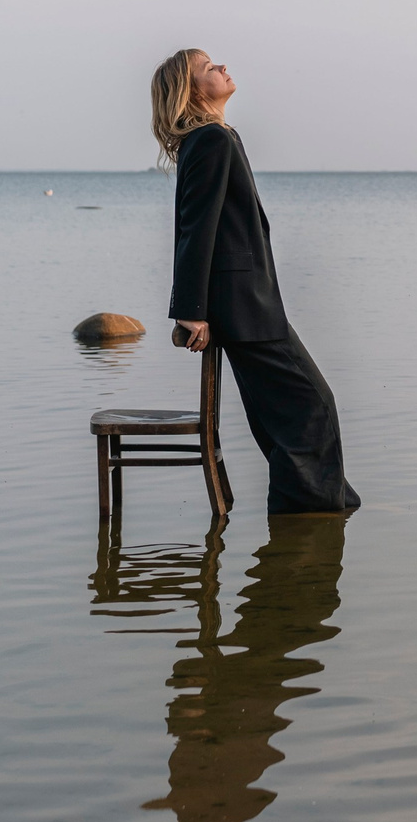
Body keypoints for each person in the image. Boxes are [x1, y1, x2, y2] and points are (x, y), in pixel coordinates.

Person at [151, 48, 360, 515]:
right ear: (191, 92)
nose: (222, 67)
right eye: (209, 68)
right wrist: (191, 310)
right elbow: (195, 226)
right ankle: (309, 518)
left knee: (287, 415)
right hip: (242, 303)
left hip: (248, 300)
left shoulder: (220, 136)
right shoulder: (211, 141)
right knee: (312, 406)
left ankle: (316, 513)